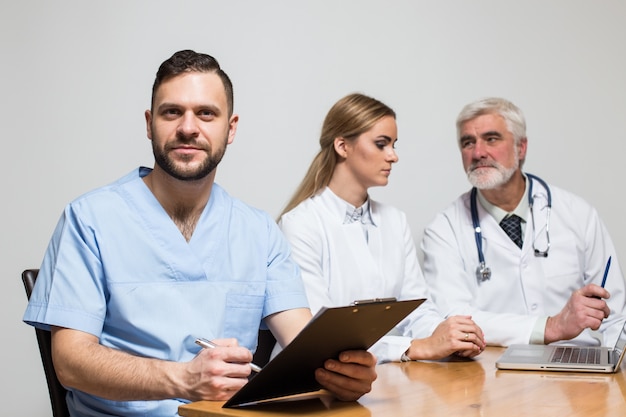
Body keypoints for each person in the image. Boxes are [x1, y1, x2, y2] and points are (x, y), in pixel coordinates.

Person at [22, 50, 377, 417]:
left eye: (206, 113)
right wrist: (182, 379)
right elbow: (70, 363)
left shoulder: (257, 232)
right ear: (149, 123)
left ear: (231, 127)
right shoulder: (90, 219)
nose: (188, 127)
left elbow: (305, 345)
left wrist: (342, 373)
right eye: (171, 112)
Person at [276, 93, 485, 363]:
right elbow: (320, 334)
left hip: (387, 378)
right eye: (381, 144)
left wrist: (448, 336)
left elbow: (416, 310)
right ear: (342, 146)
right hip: (313, 378)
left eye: (393, 145)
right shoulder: (300, 224)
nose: (393, 156)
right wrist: (413, 348)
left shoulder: (394, 221)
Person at [421, 97, 626, 347]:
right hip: (491, 373)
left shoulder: (578, 215)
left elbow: (615, 315)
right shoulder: (444, 229)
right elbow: (453, 319)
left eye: (491, 138)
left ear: (521, 147)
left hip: (577, 371)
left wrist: (613, 374)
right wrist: (549, 327)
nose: (478, 152)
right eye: (468, 142)